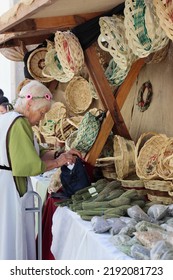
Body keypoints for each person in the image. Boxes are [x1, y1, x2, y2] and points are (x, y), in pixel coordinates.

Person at [0, 80, 82, 260]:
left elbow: (35, 153)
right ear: (29, 104)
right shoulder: (19, 122)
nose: (42, 118)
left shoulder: (8, 118)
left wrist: (61, 153)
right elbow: (28, 165)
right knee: (13, 237)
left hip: (5, 184)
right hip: (11, 188)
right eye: (42, 112)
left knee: (6, 236)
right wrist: (60, 161)